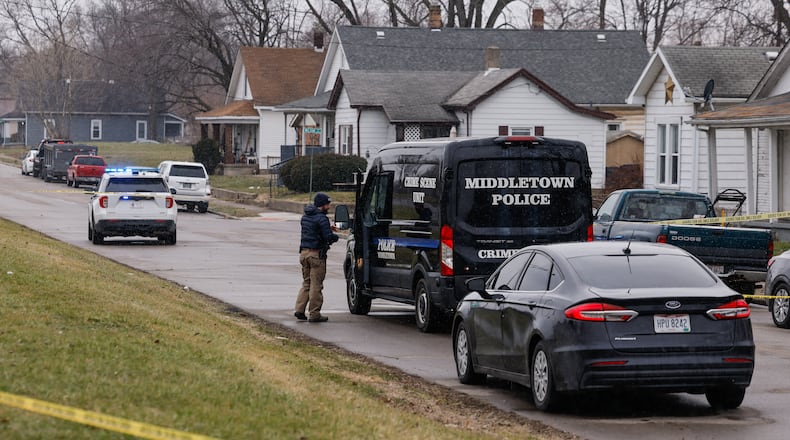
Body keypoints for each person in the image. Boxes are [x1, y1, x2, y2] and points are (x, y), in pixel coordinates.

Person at [294, 192, 339, 323]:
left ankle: (299, 310)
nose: (329, 206)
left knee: (306, 283)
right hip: (316, 255)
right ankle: (314, 314)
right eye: (328, 204)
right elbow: (328, 237)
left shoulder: (306, 216)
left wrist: (327, 228)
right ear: (322, 205)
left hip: (304, 254)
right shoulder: (322, 218)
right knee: (316, 285)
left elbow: (313, 229)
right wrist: (335, 236)